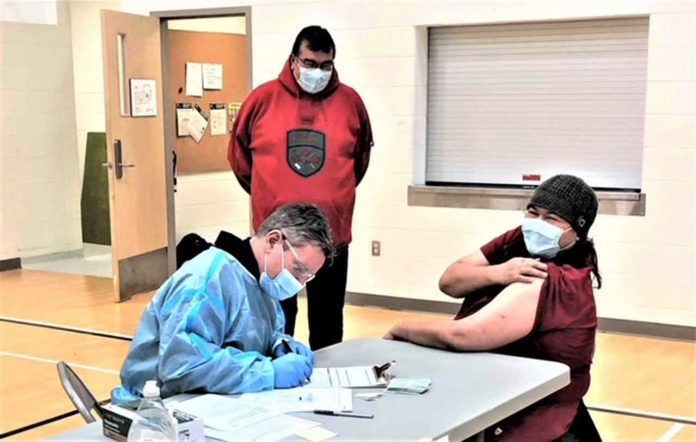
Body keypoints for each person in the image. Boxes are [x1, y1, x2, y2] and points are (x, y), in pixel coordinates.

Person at [385, 175, 601, 441]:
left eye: (552, 218)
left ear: (576, 229)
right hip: (487, 383)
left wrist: (401, 327)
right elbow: (450, 281)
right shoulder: (518, 241)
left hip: (528, 410)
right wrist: (499, 273)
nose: (537, 224)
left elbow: (463, 336)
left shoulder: (555, 278)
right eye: (533, 212)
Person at [228, 25, 373, 350]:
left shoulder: (350, 102)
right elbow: (240, 160)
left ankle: (325, 384)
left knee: (328, 322)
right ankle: (276, 378)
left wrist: (333, 196)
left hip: (331, 238)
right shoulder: (262, 100)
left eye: (326, 65)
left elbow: (359, 161)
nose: (317, 71)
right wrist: (271, 195)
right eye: (310, 63)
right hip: (277, 242)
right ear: (293, 60)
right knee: (275, 320)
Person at [111, 203, 335, 403]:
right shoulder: (207, 278)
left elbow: (248, 336)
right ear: (273, 240)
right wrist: (268, 372)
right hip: (158, 408)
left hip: (215, 402)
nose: (300, 283)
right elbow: (183, 366)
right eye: (299, 270)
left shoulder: (262, 283)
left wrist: (279, 346)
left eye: (308, 277)